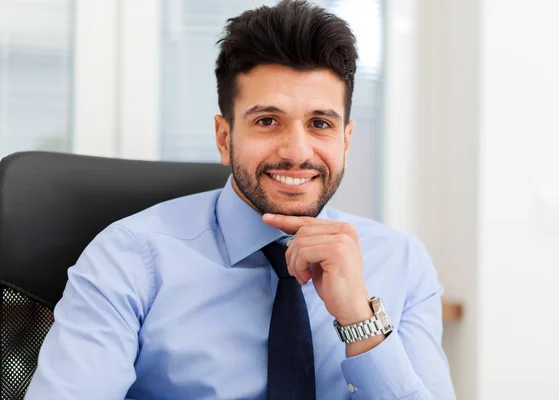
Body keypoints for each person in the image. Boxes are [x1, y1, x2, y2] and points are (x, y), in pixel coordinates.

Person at [26, 1, 455, 399]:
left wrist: (360, 320)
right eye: (268, 121)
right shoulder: (128, 258)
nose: (297, 152)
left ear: (346, 139)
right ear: (224, 137)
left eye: (320, 123)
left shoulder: (401, 261)